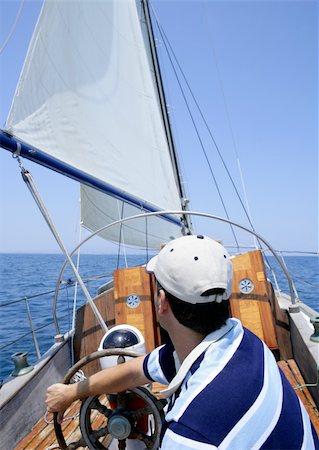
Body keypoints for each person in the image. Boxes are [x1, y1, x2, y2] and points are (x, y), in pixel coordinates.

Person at [46, 234, 319, 449]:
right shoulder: (244, 341)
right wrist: (71, 393)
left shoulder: (190, 436)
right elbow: (135, 370)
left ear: (162, 302)